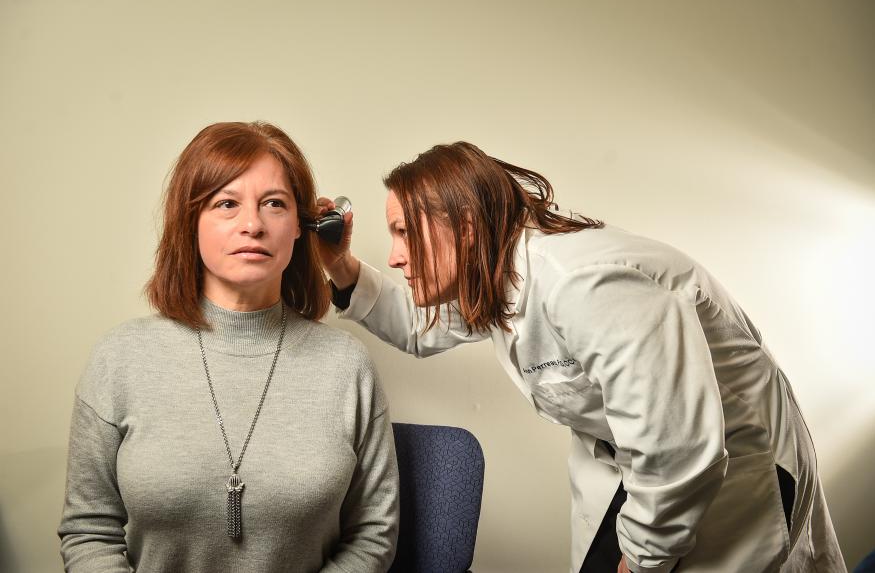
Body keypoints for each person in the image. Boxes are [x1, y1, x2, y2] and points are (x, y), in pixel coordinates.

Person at [318, 142, 845, 573]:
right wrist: (339, 264)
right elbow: (416, 328)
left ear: (466, 226)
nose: (394, 257)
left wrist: (640, 560)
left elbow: (679, 446)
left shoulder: (582, 286)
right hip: (645, 465)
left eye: (405, 232)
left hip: (732, 466)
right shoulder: (499, 278)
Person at [58, 121, 399, 573]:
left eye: (274, 204)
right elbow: (88, 533)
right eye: (226, 204)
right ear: (190, 223)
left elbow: (375, 533)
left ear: (301, 226)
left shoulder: (347, 365)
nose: (253, 225)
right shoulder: (118, 360)